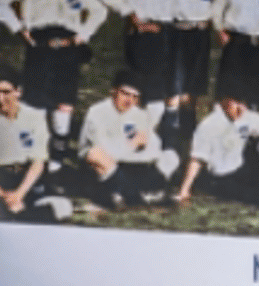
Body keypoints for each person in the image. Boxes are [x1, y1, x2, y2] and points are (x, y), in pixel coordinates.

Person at [0, 0, 107, 152]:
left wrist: (82, 35)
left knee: (65, 101)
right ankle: (32, 154)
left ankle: (57, 161)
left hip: (68, 47)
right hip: (40, 45)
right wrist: (19, 29)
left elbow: (99, 11)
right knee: (36, 101)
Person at [93, 0, 183, 142]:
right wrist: (130, 14)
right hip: (146, 35)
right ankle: (136, 142)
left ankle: (157, 143)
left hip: (169, 33)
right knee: (150, 95)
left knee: (169, 92)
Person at [77, 71, 181, 208]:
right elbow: (103, 149)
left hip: (130, 165)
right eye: (125, 94)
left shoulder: (138, 114)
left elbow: (154, 147)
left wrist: (141, 150)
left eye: (135, 97)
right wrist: (131, 145)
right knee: (95, 154)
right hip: (103, 169)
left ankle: (130, 193)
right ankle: (136, 195)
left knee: (170, 156)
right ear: (113, 92)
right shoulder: (97, 112)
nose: (129, 100)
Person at [165, 0, 223, 150]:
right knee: (173, 88)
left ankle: (187, 138)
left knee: (192, 91)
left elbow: (218, 5)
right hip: (175, 31)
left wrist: (217, 27)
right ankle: (168, 139)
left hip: (200, 35)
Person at [0, 66, 72, 222]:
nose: (0, 98)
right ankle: (19, 214)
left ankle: (21, 212)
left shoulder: (34, 116)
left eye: (6, 92)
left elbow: (38, 161)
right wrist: (2, 194)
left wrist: (19, 194)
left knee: (63, 208)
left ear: (18, 91)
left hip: (26, 179)